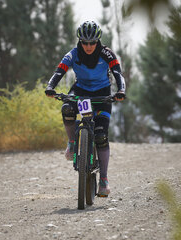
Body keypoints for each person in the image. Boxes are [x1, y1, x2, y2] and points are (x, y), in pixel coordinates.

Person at [45, 21, 126, 196]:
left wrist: (121, 91)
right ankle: (73, 143)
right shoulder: (72, 54)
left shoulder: (107, 54)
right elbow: (59, 72)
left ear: (98, 41)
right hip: (81, 92)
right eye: (84, 42)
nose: (88, 46)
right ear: (79, 41)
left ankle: (103, 179)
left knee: (101, 136)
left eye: (92, 42)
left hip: (102, 95)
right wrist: (51, 87)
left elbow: (118, 74)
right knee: (67, 108)